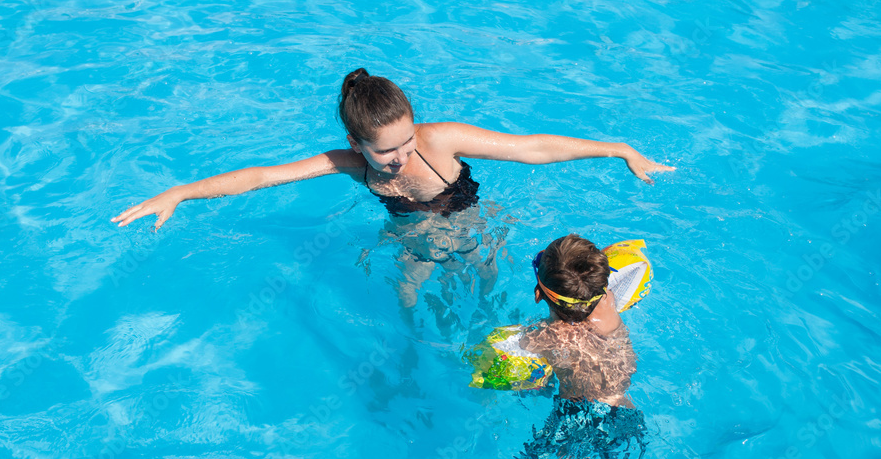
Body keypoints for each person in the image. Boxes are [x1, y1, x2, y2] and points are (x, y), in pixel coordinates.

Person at [111, 69, 673, 321]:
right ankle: (411, 354)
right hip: (410, 235)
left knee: (487, 279)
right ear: (356, 143)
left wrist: (616, 148)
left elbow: (532, 149)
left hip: (468, 218)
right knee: (407, 301)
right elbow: (262, 176)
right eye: (386, 152)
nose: (401, 156)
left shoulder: (442, 141)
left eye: (407, 141)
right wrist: (180, 193)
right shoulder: (349, 163)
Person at [443, 234, 647, 459]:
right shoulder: (609, 302)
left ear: (541, 293)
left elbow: (492, 368)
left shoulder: (547, 338)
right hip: (627, 412)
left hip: (579, 421)